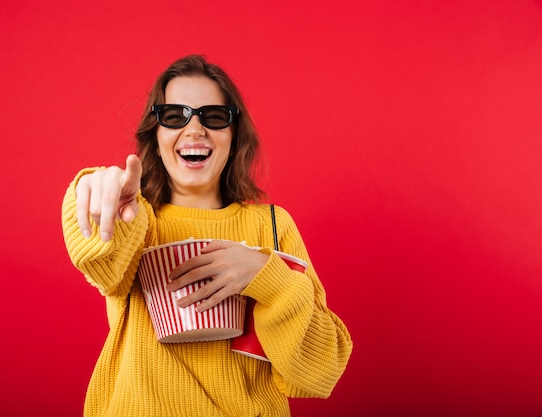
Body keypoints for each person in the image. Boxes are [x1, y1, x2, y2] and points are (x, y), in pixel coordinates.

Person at [61, 54, 352, 417]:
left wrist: (269, 276)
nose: (195, 130)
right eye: (174, 115)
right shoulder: (135, 218)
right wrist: (90, 191)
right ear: (156, 132)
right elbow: (98, 259)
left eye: (213, 117)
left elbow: (319, 373)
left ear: (234, 134)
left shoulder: (272, 226)